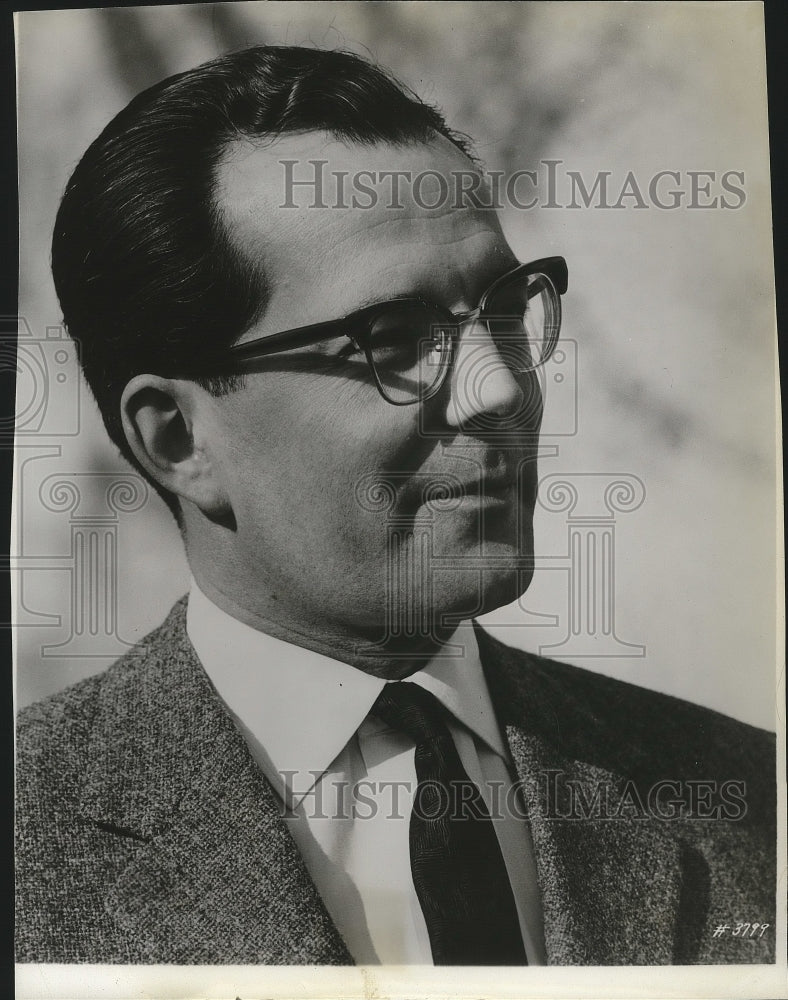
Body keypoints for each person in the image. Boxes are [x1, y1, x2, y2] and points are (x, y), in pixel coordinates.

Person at [16, 45, 775, 967]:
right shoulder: (33, 843)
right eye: (396, 338)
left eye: (505, 309)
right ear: (179, 439)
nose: (501, 391)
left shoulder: (747, 798)